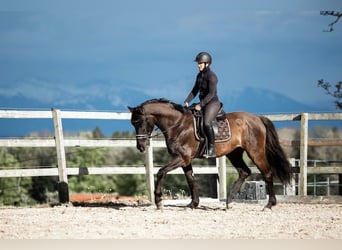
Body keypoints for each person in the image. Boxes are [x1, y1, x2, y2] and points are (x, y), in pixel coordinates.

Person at [184, 52, 221, 158]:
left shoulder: (212, 76)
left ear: (207, 64)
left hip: (212, 103)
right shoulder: (200, 75)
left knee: (206, 123)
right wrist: (187, 101)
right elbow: (195, 90)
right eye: (198, 63)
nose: (198, 65)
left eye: (200, 63)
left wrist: (201, 104)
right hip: (203, 104)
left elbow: (211, 93)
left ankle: (211, 149)